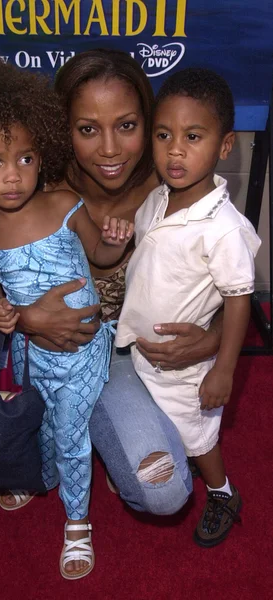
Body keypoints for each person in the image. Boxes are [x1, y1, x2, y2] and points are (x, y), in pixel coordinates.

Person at [0, 50, 222, 563]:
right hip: (27, 360)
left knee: (163, 491)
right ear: (58, 130)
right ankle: (67, 434)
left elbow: (221, 277)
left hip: (116, 361)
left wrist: (218, 334)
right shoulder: (31, 192)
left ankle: (89, 432)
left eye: (128, 125)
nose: (110, 148)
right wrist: (23, 319)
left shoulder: (174, 192)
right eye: (87, 128)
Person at [116, 67, 261, 547]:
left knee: (198, 434)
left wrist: (224, 370)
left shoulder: (223, 229)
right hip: (145, 349)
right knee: (166, 425)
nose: (175, 149)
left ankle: (222, 492)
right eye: (164, 134)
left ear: (224, 146)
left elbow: (240, 300)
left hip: (185, 366)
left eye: (193, 136)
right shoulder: (158, 199)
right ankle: (186, 462)